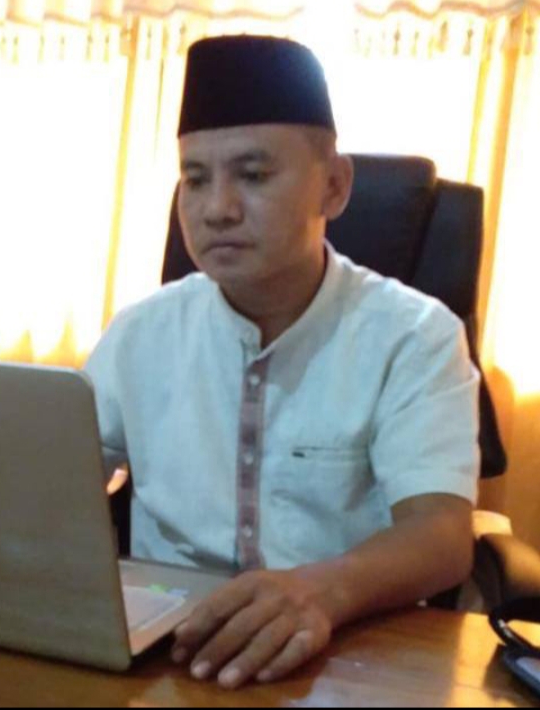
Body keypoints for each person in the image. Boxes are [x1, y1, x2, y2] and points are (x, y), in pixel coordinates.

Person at [84, 35, 480, 690]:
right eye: (195, 179)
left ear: (334, 186)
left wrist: (321, 591)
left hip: (350, 653)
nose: (217, 209)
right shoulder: (140, 333)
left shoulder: (413, 335)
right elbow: (53, 485)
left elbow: (440, 536)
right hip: (168, 653)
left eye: (253, 175)